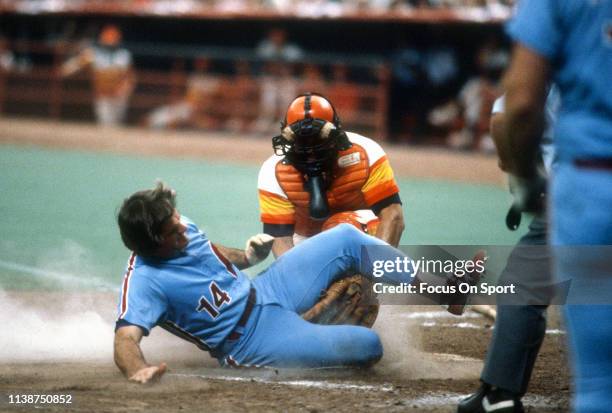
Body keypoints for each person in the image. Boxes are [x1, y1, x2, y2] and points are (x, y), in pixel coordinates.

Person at [114, 182, 483, 383]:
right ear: (151, 244)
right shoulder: (146, 281)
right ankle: (307, 332)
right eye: (172, 230)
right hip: (249, 342)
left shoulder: (178, 225)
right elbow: (125, 338)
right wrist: (137, 370)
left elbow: (215, 255)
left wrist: (250, 257)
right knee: (368, 346)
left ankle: (444, 290)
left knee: (347, 239)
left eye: (177, 219)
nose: (182, 226)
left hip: (266, 288)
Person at [500, 1, 612, 411]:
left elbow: (521, 103)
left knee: (601, 384)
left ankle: (499, 393)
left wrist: (525, 179)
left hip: (594, 181)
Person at [457, 87, 560, 413]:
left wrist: (521, 174)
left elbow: (504, 119)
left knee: (523, 287)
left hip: (579, 191)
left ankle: (499, 396)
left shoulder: (564, 49)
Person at [257, 92, 405, 257]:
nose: (311, 151)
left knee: (345, 225)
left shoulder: (367, 153)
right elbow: (280, 239)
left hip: (360, 230)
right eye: (302, 141)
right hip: (306, 239)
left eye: (318, 139)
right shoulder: (273, 171)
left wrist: (376, 268)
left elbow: (393, 216)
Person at [60, 24, 135, 126]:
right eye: (108, 37)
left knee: (118, 123)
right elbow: (76, 64)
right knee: (105, 123)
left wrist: (124, 91)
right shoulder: (93, 53)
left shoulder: (123, 54)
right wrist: (64, 70)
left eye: (113, 38)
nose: (110, 40)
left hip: (118, 95)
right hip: (102, 94)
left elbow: (130, 76)